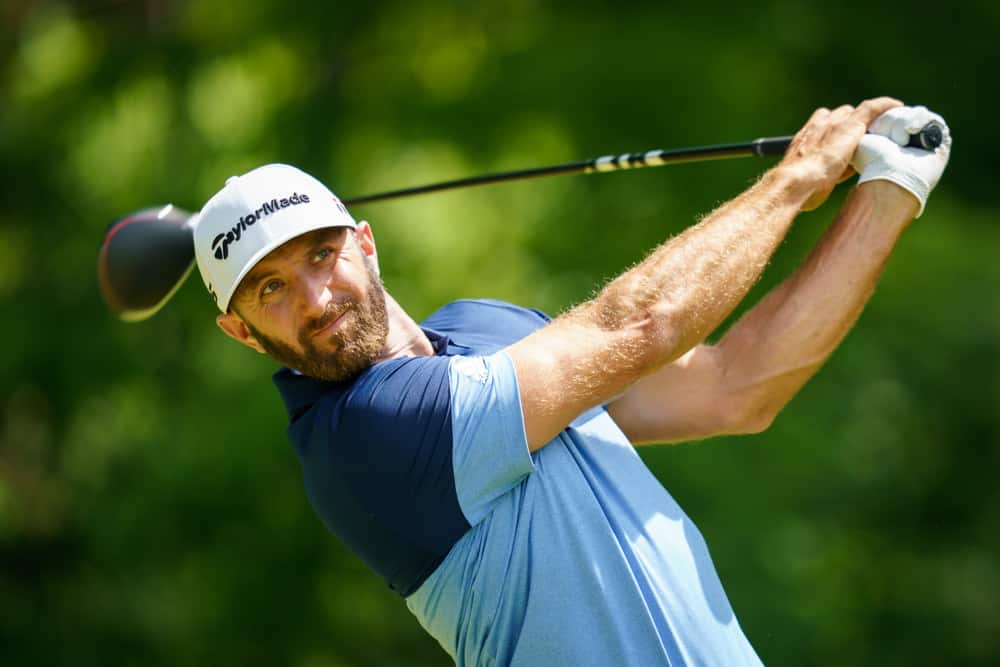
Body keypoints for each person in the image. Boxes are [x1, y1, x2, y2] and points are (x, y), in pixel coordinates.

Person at [191, 98, 950, 665]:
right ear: (240, 330)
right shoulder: (364, 435)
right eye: (270, 289)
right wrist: (793, 182)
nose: (316, 300)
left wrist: (891, 189)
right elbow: (639, 325)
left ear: (365, 243)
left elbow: (733, 384)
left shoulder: (487, 330)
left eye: (320, 256)